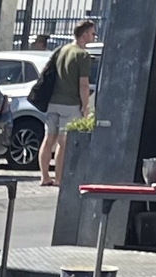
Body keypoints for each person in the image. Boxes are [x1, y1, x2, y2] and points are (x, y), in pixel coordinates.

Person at [40, 19, 97, 187]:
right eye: (93, 33)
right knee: (63, 143)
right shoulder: (82, 55)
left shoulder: (62, 50)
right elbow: (84, 84)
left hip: (53, 102)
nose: (94, 36)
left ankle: (44, 177)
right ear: (85, 34)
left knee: (48, 139)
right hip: (70, 104)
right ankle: (58, 178)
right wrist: (85, 107)